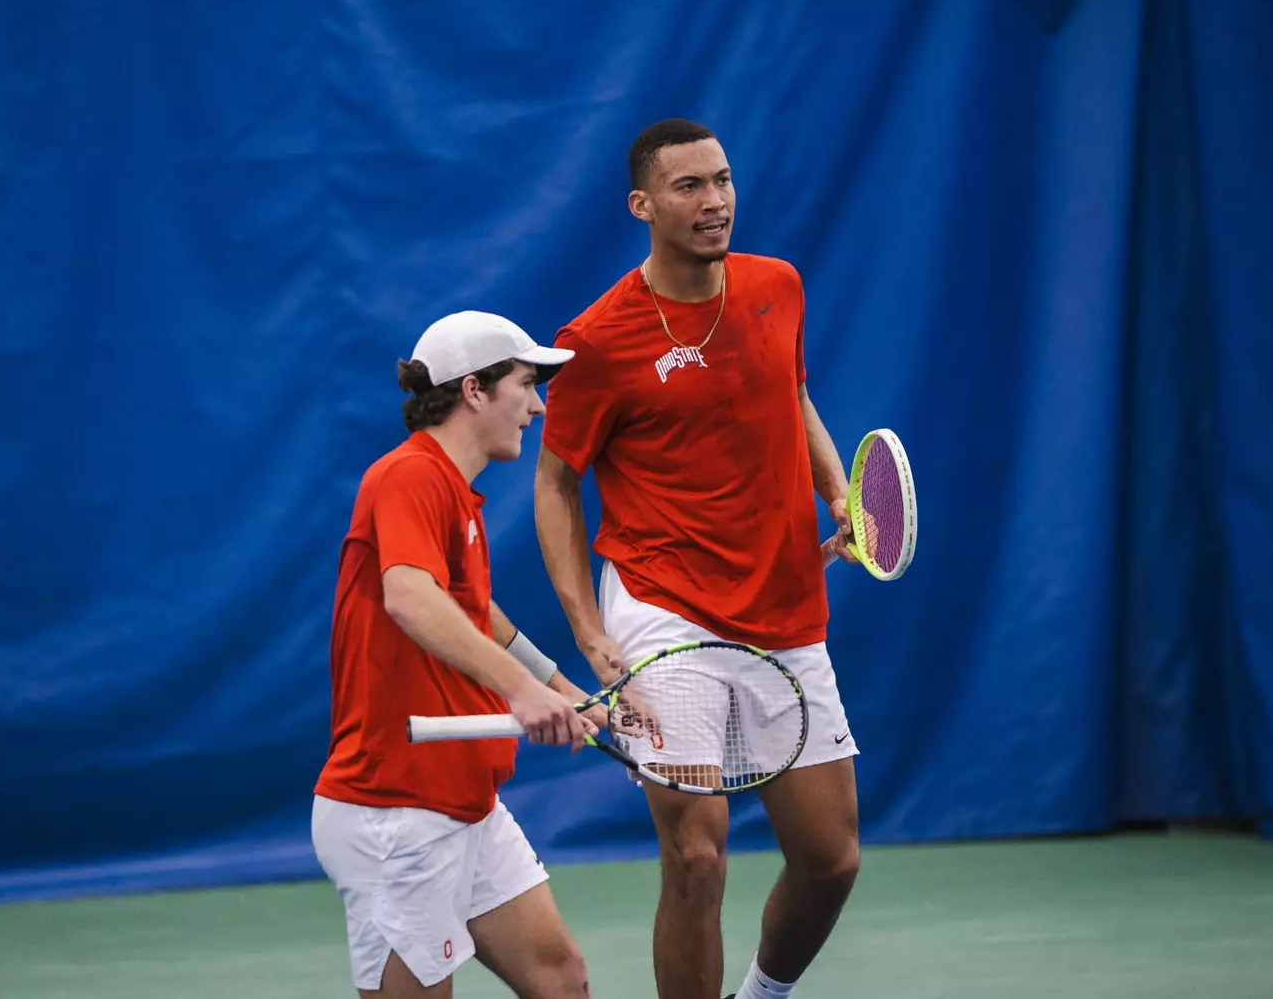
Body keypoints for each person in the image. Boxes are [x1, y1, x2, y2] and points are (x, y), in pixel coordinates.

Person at [533, 119, 862, 999]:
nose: (714, 201)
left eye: (721, 181)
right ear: (643, 204)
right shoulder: (598, 339)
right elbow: (556, 482)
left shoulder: (775, 287)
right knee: (697, 857)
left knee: (830, 861)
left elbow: (793, 396)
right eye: (689, 187)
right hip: (663, 607)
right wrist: (591, 633)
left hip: (786, 607)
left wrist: (837, 491)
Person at [313, 310, 601, 999]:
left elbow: (476, 613)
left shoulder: (455, 495)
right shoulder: (409, 476)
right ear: (474, 390)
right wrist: (521, 693)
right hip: (397, 810)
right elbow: (409, 597)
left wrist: (558, 683)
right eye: (527, 385)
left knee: (561, 979)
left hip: (463, 799)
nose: (537, 406)